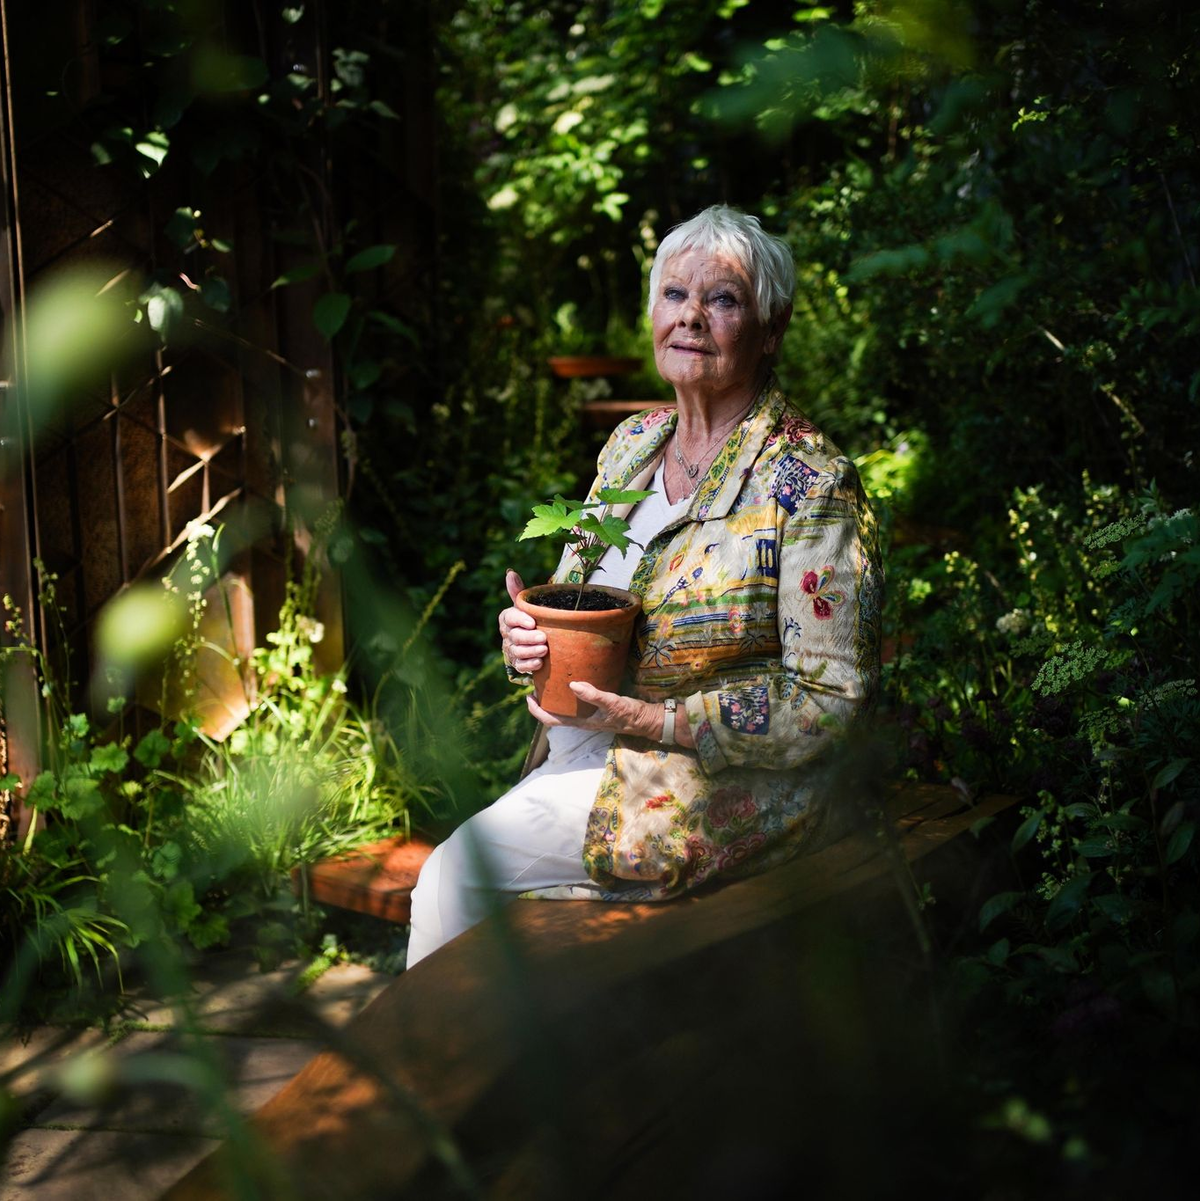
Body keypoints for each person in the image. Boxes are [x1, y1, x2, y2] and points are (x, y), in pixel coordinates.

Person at [406, 204, 882, 967]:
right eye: (674, 295)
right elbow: (577, 602)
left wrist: (660, 721)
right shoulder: (632, 446)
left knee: (453, 880)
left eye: (722, 300)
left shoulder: (809, 483)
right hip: (584, 754)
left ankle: (427, 1082)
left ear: (771, 328)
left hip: (713, 785)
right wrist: (528, 636)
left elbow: (830, 701)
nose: (691, 316)